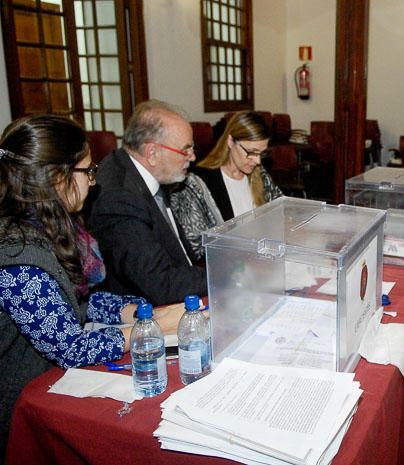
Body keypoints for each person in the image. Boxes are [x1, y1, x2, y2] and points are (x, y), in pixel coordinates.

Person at [0, 115, 185, 459]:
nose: (93, 182)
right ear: (57, 178)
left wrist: (136, 311)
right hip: (17, 405)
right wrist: (150, 328)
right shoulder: (18, 256)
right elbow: (68, 346)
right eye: (87, 171)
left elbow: (76, 302)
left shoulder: (45, 226)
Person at [88, 100, 208, 306]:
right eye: (185, 150)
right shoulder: (119, 199)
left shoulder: (144, 171)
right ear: (152, 153)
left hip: (182, 289)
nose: (193, 157)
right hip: (148, 313)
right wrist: (226, 276)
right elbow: (160, 284)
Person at [192, 111, 283, 221]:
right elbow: (198, 235)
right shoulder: (201, 181)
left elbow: (281, 211)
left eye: (262, 153)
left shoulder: (260, 174)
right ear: (230, 141)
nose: (257, 161)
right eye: (251, 152)